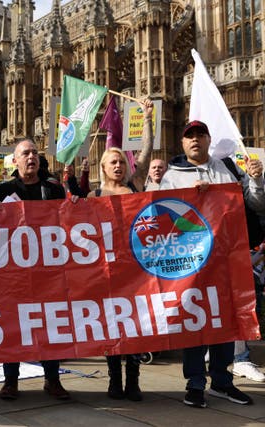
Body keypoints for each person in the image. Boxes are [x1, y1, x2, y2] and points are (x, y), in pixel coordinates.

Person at [160, 119, 265, 408]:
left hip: (227, 258)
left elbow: (255, 205)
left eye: (200, 134)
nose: (195, 139)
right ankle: (195, 382)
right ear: (182, 143)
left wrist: (256, 179)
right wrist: (192, 199)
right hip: (191, 263)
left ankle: (222, 381)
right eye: (189, 135)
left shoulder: (227, 169)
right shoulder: (172, 176)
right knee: (195, 321)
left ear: (208, 139)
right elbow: (161, 216)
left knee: (225, 321)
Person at [0, 138, 69, 401]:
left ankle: (52, 379)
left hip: (48, 269)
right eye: (25, 153)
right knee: (12, 324)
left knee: (51, 323)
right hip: (14, 270)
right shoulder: (2, 191)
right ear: (16, 160)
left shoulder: (53, 189)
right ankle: (10, 381)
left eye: (35, 152)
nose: (31, 157)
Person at [87, 98, 154, 401]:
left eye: (121, 162)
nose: (118, 165)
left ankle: (134, 381)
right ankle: (114, 379)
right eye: (112, 162)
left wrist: (148, 119)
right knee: (112, 325)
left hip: (136, 266)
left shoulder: (135, 186)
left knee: (136, 326)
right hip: (108, 269)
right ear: (103, 167)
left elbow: (148, 151)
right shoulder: (95, 194)